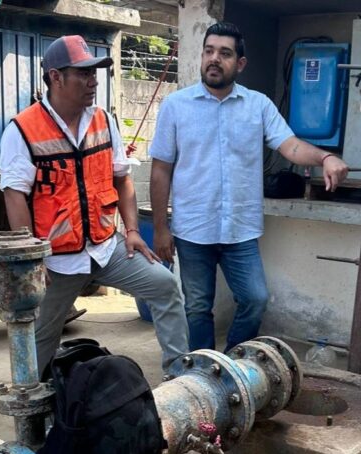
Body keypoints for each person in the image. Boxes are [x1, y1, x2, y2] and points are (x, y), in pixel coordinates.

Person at [149, 22, 349, 352]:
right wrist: (160, 228)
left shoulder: (258, 105)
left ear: (240, 63)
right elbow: (161, 170)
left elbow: (290, 146)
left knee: (256, 299)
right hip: (192, 229)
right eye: (209, 51)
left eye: (224, 53)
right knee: (197, 308)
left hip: (239, 231)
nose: (214, 59)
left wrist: (325, 157)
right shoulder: (176, 106)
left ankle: (232, 362)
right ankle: (202, 371)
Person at [0, 35, 188, 375]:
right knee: (38, 339)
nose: (93, 81)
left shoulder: (103, 120)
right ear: (56, 77)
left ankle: (180, 375)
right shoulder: (23, 130)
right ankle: (31, 403)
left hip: (106, 247)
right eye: (83, 73)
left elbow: (122, 179)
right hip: (55, 260)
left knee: (165, 286)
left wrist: (132, 231)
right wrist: (32, 259)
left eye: (94, 73)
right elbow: (14, 195)